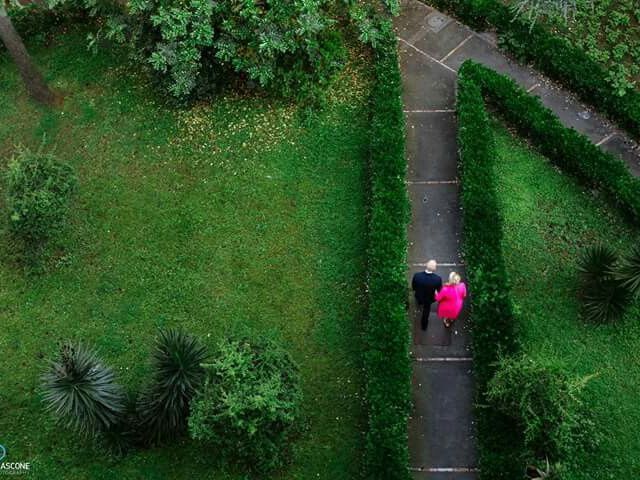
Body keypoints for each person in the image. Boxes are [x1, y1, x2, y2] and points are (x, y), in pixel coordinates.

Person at [411, 260, 442, 331]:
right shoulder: (437, 279)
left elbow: (414, 286)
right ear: (434, 268)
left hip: (419, 295)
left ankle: (419, 303)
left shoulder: (417, 275)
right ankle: (424, 326)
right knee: (426, 310)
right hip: (429, 298)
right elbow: (439, 290)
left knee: (419, 301)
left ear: (426, 265)